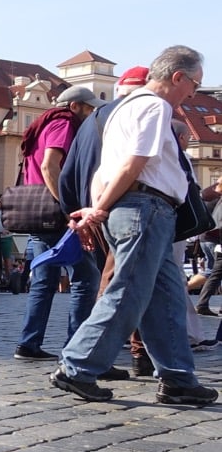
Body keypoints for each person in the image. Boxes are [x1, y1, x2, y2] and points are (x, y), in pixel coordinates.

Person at [54, 47, 217, 405]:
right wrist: (99, 209)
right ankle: (77, 366)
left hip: (141, 209)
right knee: (128, 292)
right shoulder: (155, 105)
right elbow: (134, 164)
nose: (194, 93)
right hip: (144, 208)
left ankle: (178, 378)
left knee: (168, 298)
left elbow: (110, 167)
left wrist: (99, 207)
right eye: (194, 83)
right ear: (177, 77)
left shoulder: (123, 109)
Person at [14, 85, 100, 360]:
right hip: (56, 214)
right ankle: (77, 347)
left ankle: (28, 344)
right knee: (87, 278)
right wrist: (68, 207)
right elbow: (50, 166)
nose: (91, 113)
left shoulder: (40, 125)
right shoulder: (63, 123)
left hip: (36, 213)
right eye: (89, 108)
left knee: (44, 281)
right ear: (74, 106)